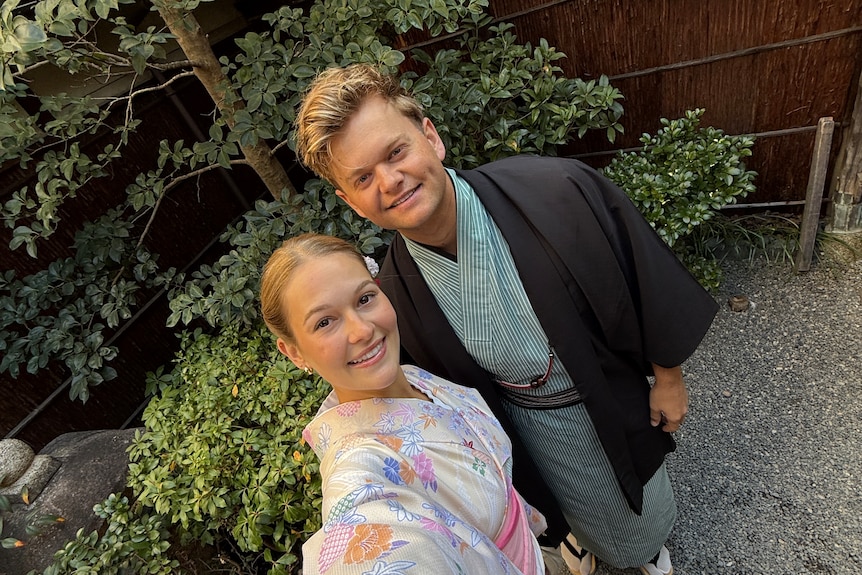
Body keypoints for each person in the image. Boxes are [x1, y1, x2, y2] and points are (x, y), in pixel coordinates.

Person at [294, 64, 719, 575]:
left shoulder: (554, 191)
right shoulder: (393, 293)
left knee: (642, 513)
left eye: (396, 151)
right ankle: (581, 540)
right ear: (352, 202)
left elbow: (639, 276)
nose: (390, 181)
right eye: (363, 178)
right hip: (526, 426)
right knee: (562, 507)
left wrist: (668, 377)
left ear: (430, 135)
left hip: (607, 393)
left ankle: (650, 554)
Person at [260, 233, 550, 575]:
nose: (362, 330)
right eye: (325, 322)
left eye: (365, 298)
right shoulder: (358, 470)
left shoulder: (416, 378)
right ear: (293, 352)